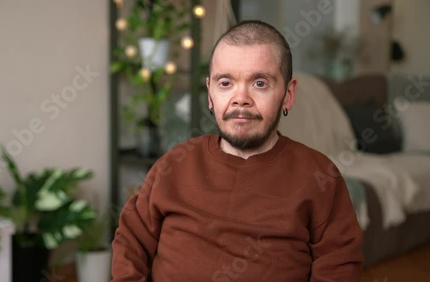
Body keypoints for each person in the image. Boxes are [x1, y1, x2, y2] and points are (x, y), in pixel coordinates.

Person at [111, 20, 363, 281]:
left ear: (288, 94)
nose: (240, 98)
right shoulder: (174, 164)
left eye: (260, 83)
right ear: (210, 93)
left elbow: (339, 266)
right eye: (225, 83)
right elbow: (131, 241)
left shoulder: (319, 176)